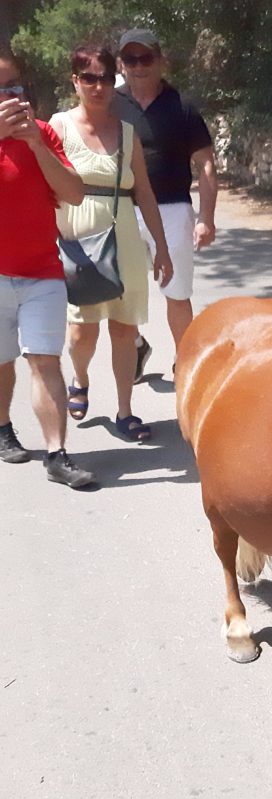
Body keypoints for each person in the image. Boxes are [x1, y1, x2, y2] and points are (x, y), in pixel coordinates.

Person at [50, 45, 173, 443]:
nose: (98, 86)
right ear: (75, 81)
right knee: (81, 335)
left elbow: (146, 194)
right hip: (79, 246)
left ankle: (125, 411)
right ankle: (80, 379)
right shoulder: (59, 127)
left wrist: (163, 247)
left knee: (124, 330)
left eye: (104, 78)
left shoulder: (127, 133)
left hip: (124, 246)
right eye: (89, 78)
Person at [0, 48, 95, 487]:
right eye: (1, 90)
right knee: (1, 362)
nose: (10, 96)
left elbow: (74, 193)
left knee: (44, 361)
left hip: (42, 272)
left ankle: (57, 454)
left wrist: (36, 144)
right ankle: (3, 430)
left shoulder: (43, 134)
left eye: (15, 87)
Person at [112, 27, 218, 381]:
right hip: (122, 211)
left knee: (176, 292)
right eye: (131, 58)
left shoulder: (182, 107)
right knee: (121, 294)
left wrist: (206, 217)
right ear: (120, 63)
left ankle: (185, 363)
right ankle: (137, 345)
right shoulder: (111, 104)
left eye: (146, 58)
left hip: (172, 210)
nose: (138, 66)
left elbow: (205, 164)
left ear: (160, 61)